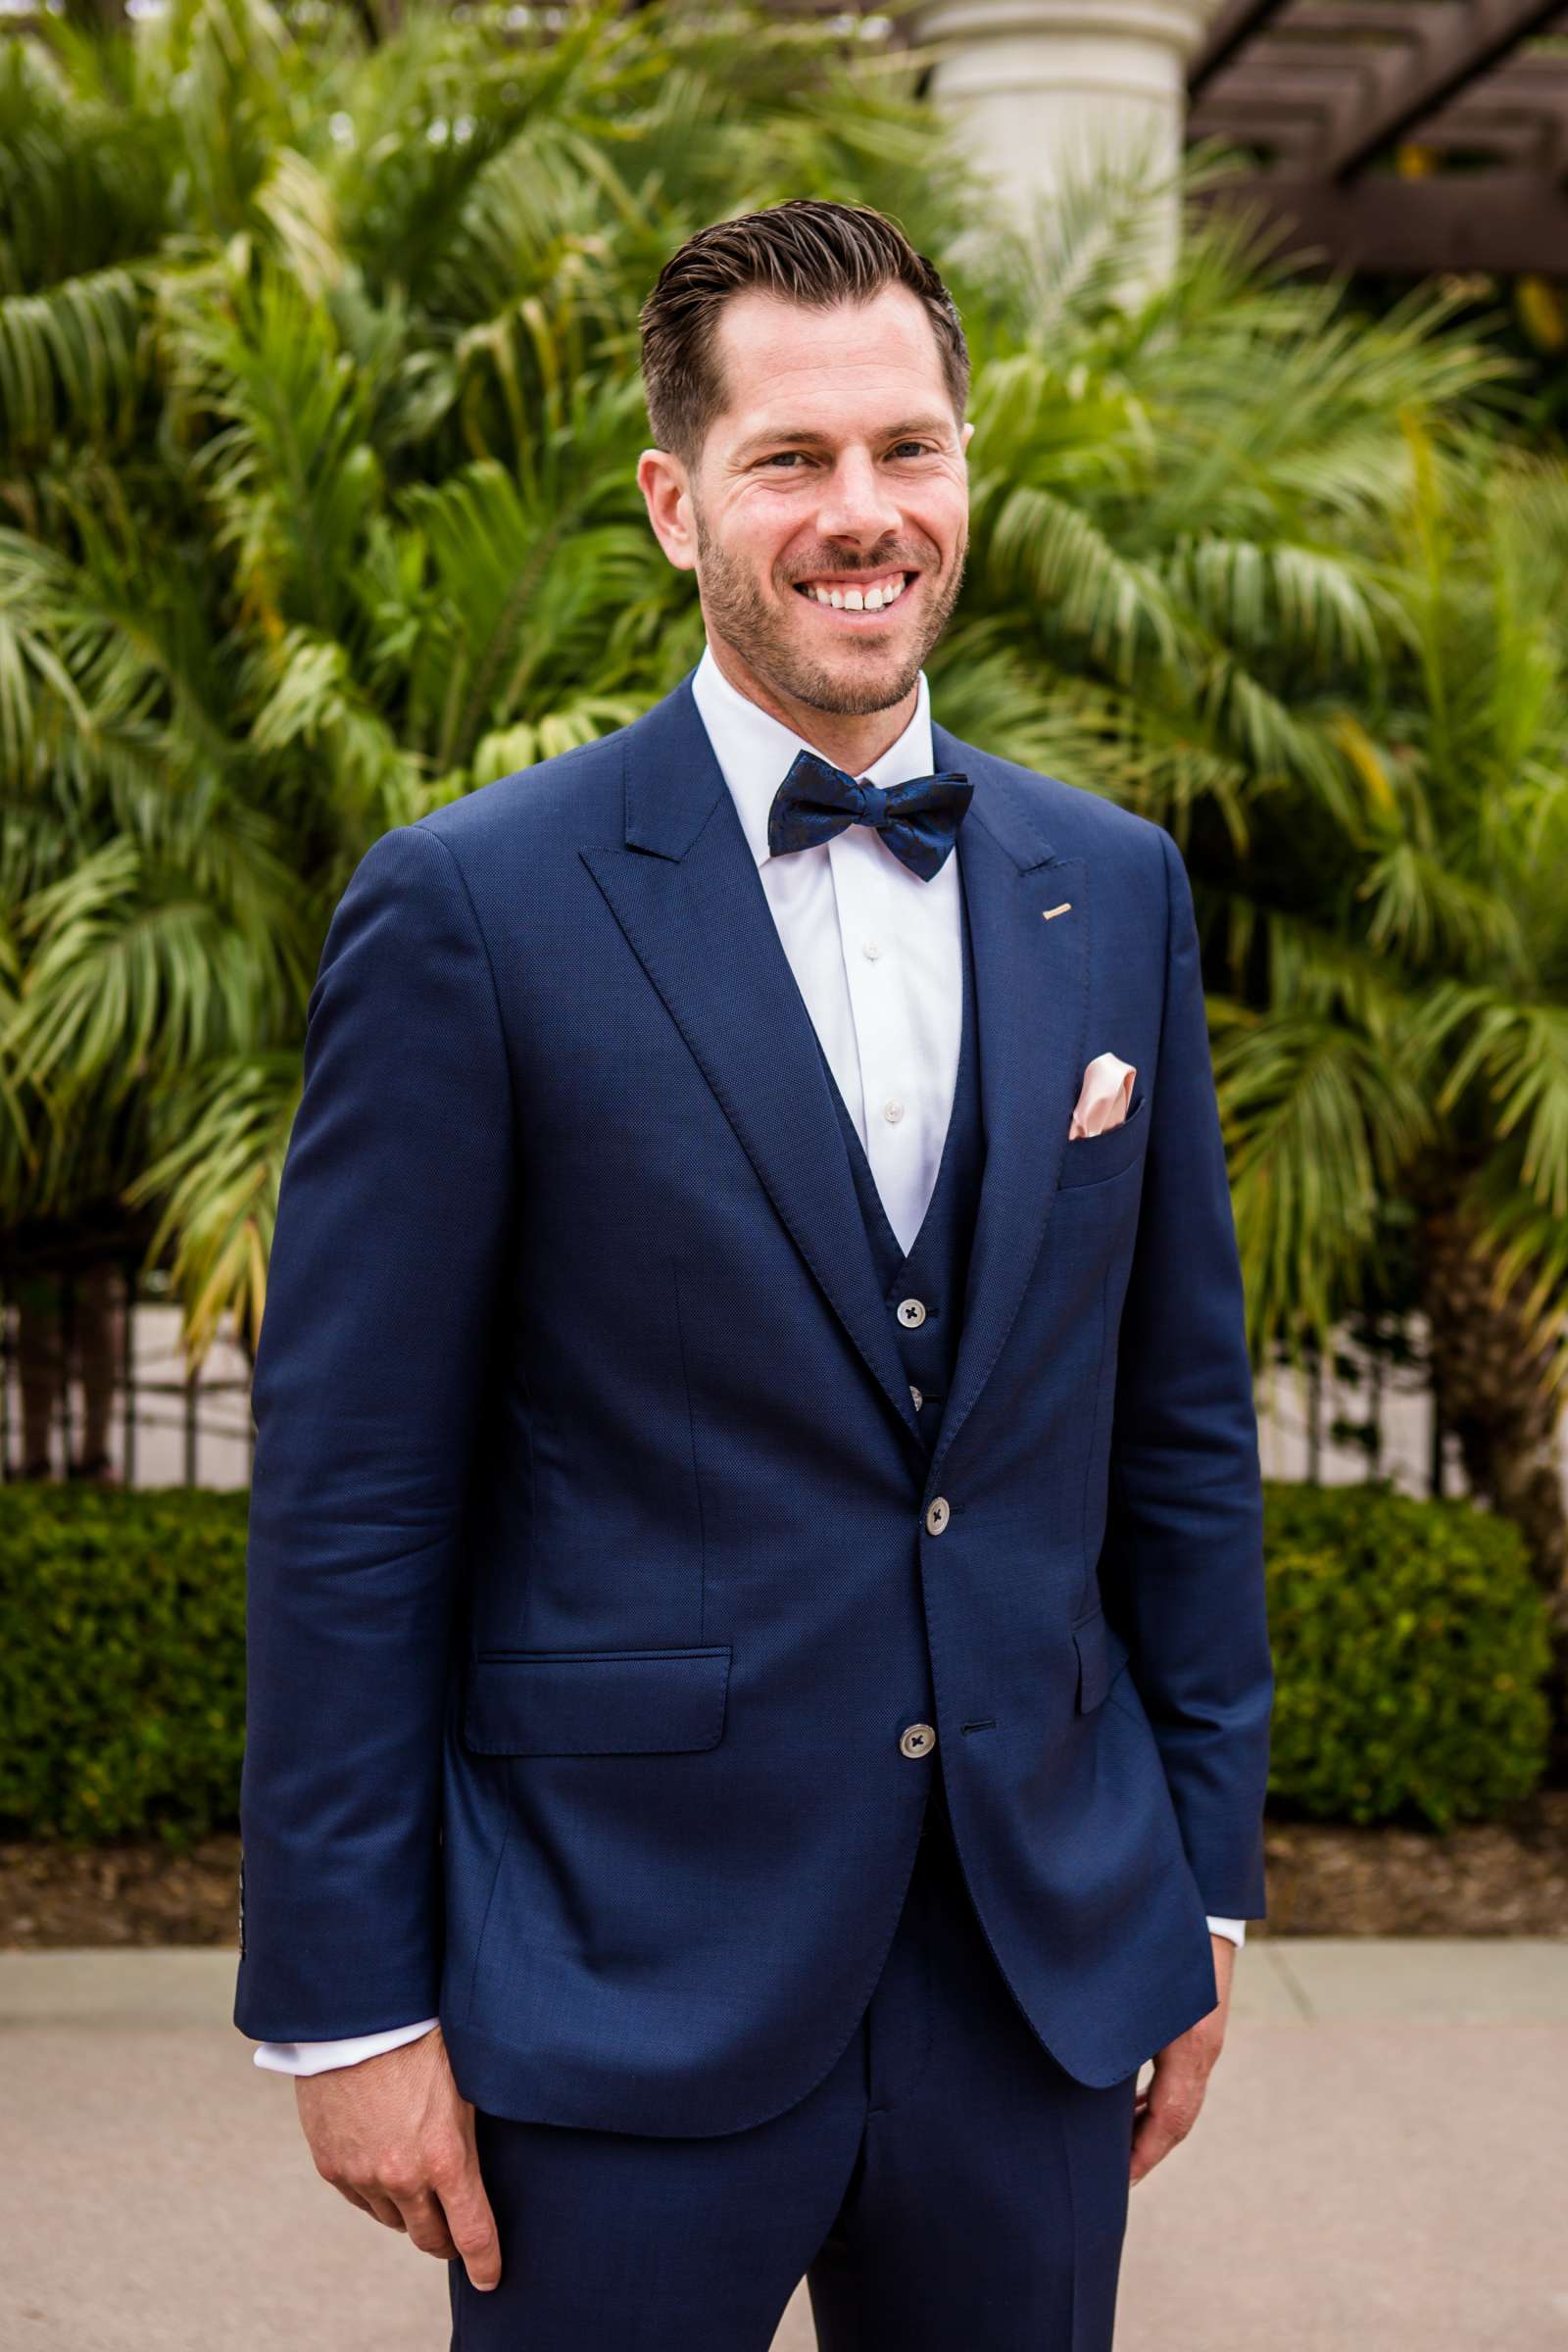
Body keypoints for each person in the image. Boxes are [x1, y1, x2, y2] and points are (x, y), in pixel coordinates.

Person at [236, 199, 1272, 2350]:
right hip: (613, 1984)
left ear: (965, 471)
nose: (860, 515)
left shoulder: (1115, 887)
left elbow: (1174, 1425)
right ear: (670, 499)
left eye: (907, 449)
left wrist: (1196, 1891)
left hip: (1036, 1972)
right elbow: (354, 1498)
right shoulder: (471, 911)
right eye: (790, 461)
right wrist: (341, 2008)